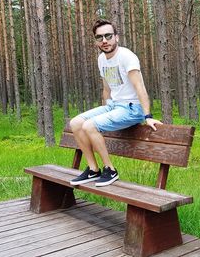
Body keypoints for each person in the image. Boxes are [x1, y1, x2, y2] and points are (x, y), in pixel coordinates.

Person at [69, 19, 162, 187]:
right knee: (76, 123)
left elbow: (139, 87)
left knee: (90, 126)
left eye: (108, 36)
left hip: (132, 108)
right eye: (99, 37)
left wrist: (147, 116)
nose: (104, 41)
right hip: (114, 106)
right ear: (96, 41)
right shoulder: (101, 60)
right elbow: (107, 88)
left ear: (116, 37)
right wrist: (106, 108)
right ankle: (93, 169)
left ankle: (110, 170)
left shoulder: (127, 57)